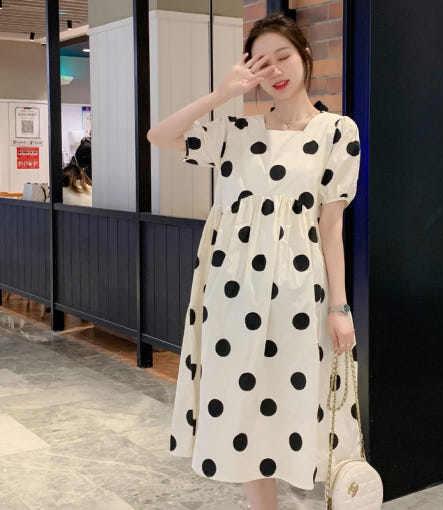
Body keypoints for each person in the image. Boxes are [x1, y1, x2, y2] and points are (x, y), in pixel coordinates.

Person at [147, 12, 361, 510]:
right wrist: (221, 94)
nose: (276, 71)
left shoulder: (337, 130)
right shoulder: (235, 132)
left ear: (305, 56)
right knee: (242, 404)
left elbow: (331, 226)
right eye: (262, 63)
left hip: (300, 293)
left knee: (297, 399)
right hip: (232, 293)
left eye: (283, 56)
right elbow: (159, 135)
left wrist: (340, 307)